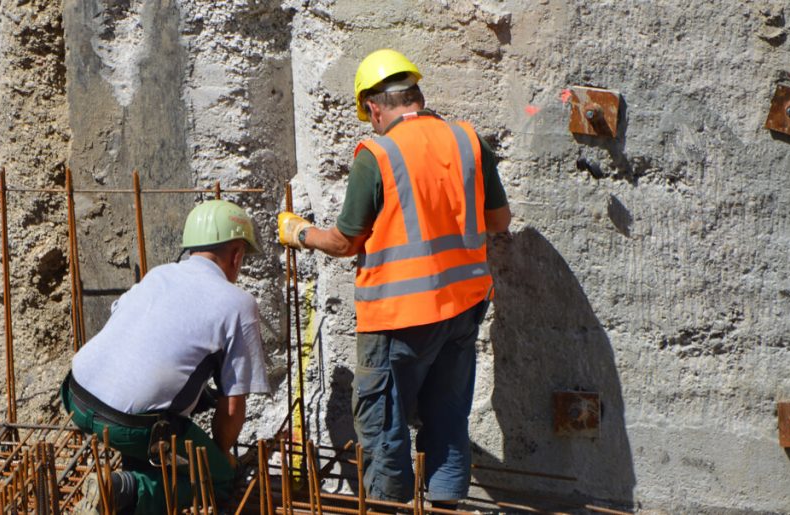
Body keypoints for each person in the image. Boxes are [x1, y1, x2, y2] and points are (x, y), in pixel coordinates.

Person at [277, 48, 511, 509]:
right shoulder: (467, 140)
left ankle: (389, 508)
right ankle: (446, 506)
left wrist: (299, 232)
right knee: (447, 420)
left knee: (384, 426)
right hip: (462, 309)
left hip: (398, 317)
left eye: (368, 115)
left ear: (374, 107)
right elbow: (499, 221)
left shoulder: (377, 154)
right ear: (416, 96)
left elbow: (346, 242)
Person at [64, 199, 271, 514]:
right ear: (237, 255)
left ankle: (129, 477)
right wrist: (221, 456)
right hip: (129, 424)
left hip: (75, 396)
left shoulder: (158, 275)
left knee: (157, 436)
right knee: (219, 480)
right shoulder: (238, 303)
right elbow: (232, 407)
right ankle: (125, 490)